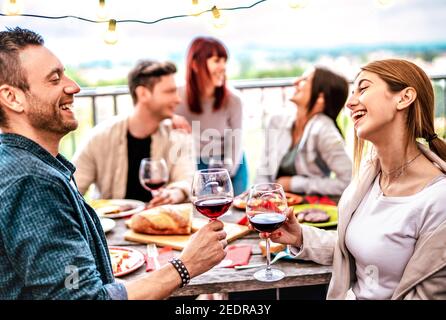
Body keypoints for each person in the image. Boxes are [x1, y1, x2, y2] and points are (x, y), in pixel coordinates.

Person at [0, 27, 227, 300]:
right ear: (12, 98)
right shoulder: (32, 182)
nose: (73, 86)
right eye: (54, 78)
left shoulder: (29, 167)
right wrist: (185, 265)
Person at [267, 59, 446, 299]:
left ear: (404, 98)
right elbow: (365, 249)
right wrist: (301, 236)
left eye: (363, 89)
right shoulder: (371, 176)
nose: (350, 103)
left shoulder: (438, 201)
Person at [73, 60, 195, 207]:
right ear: (143, 93)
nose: (178, 99)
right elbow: (72, 188)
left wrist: (175, 193)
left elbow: (186, 180)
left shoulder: (178, 135)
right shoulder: (100, 137)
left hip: (163, 224)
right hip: (112, 226)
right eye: (169, 92)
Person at [254, 67, 352, 195]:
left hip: (309, 207)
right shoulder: (277, 121)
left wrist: (295, 184)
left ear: (320, 98)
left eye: (305, 80)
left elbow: (348, 182)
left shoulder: (325, 131)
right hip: (272, 203)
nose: (296, 82)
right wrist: (262, 195)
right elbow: (263, 169)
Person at [175, 36, 248, 195]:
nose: (223, 67)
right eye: (216, 60)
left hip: (228, 165)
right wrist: (170, 117)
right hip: (192, 164)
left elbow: (236, 144)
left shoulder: (233, 100)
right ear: (195, 64)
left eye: (224, 61)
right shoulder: (177, 97)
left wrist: (221, 177)